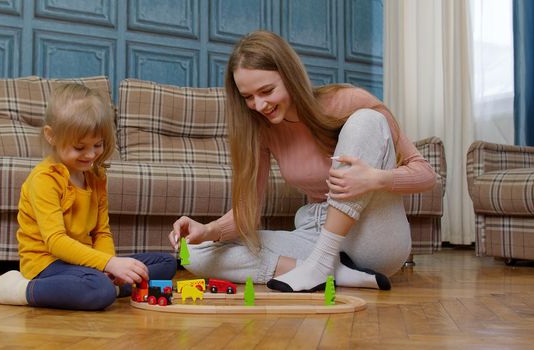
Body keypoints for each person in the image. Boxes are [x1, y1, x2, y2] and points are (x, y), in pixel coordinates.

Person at [169, 30, 437, 293]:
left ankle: (321, 265)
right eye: (248, 97)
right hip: (315, 233)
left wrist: (375, 179)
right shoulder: (262, 131)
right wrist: (208, 229)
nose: (259, 105)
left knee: (367, 119)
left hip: (373, 234)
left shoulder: (348, 101)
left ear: (291, 76)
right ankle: (338, 273)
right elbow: (247, 211)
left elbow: (426, 174)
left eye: (266, 91)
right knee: (196, 253)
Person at [0, 83, 176, 310]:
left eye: (97, 145)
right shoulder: (45, 179)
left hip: (85, 262)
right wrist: (108, 263)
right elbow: (56, 242)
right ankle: (21, 289)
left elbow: (101, 232)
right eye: (80, 147)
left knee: (166, 263)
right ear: (51, 136)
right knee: (99, 288)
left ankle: (111, 287)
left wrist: (109, 266)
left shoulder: (96, 177)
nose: (90, 155)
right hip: (48, 263)